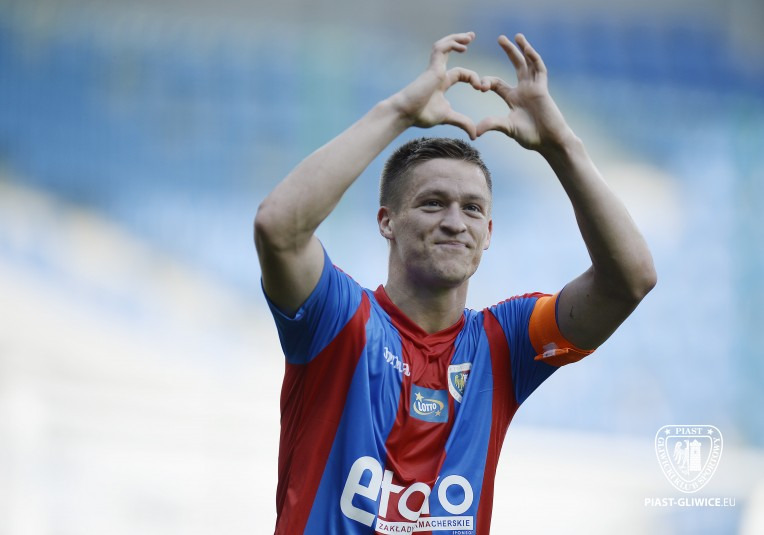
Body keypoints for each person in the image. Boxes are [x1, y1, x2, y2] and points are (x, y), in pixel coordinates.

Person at [254, 31, 656, 535]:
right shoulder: (339, 318)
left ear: (488, 234)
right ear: (387, 221)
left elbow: (630, 281)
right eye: (432, 203)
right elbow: (278, 228)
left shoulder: (504, 343)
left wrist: (561, 146)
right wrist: (399, 111)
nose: (454, 222)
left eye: (472, 209)